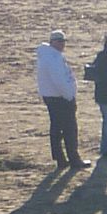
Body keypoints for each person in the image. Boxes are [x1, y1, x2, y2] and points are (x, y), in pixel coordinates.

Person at [34, 30, 84, 169]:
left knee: (56, 128)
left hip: (53, 96)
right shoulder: (53, 58)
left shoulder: (49, 56)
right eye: (58, 41)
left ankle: (60, 158)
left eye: (63, 41)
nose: (61, 44)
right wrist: (69, 96)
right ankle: (73, 158)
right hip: (60, 98)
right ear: (52, 42)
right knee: (69, 129)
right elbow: (59, 81)